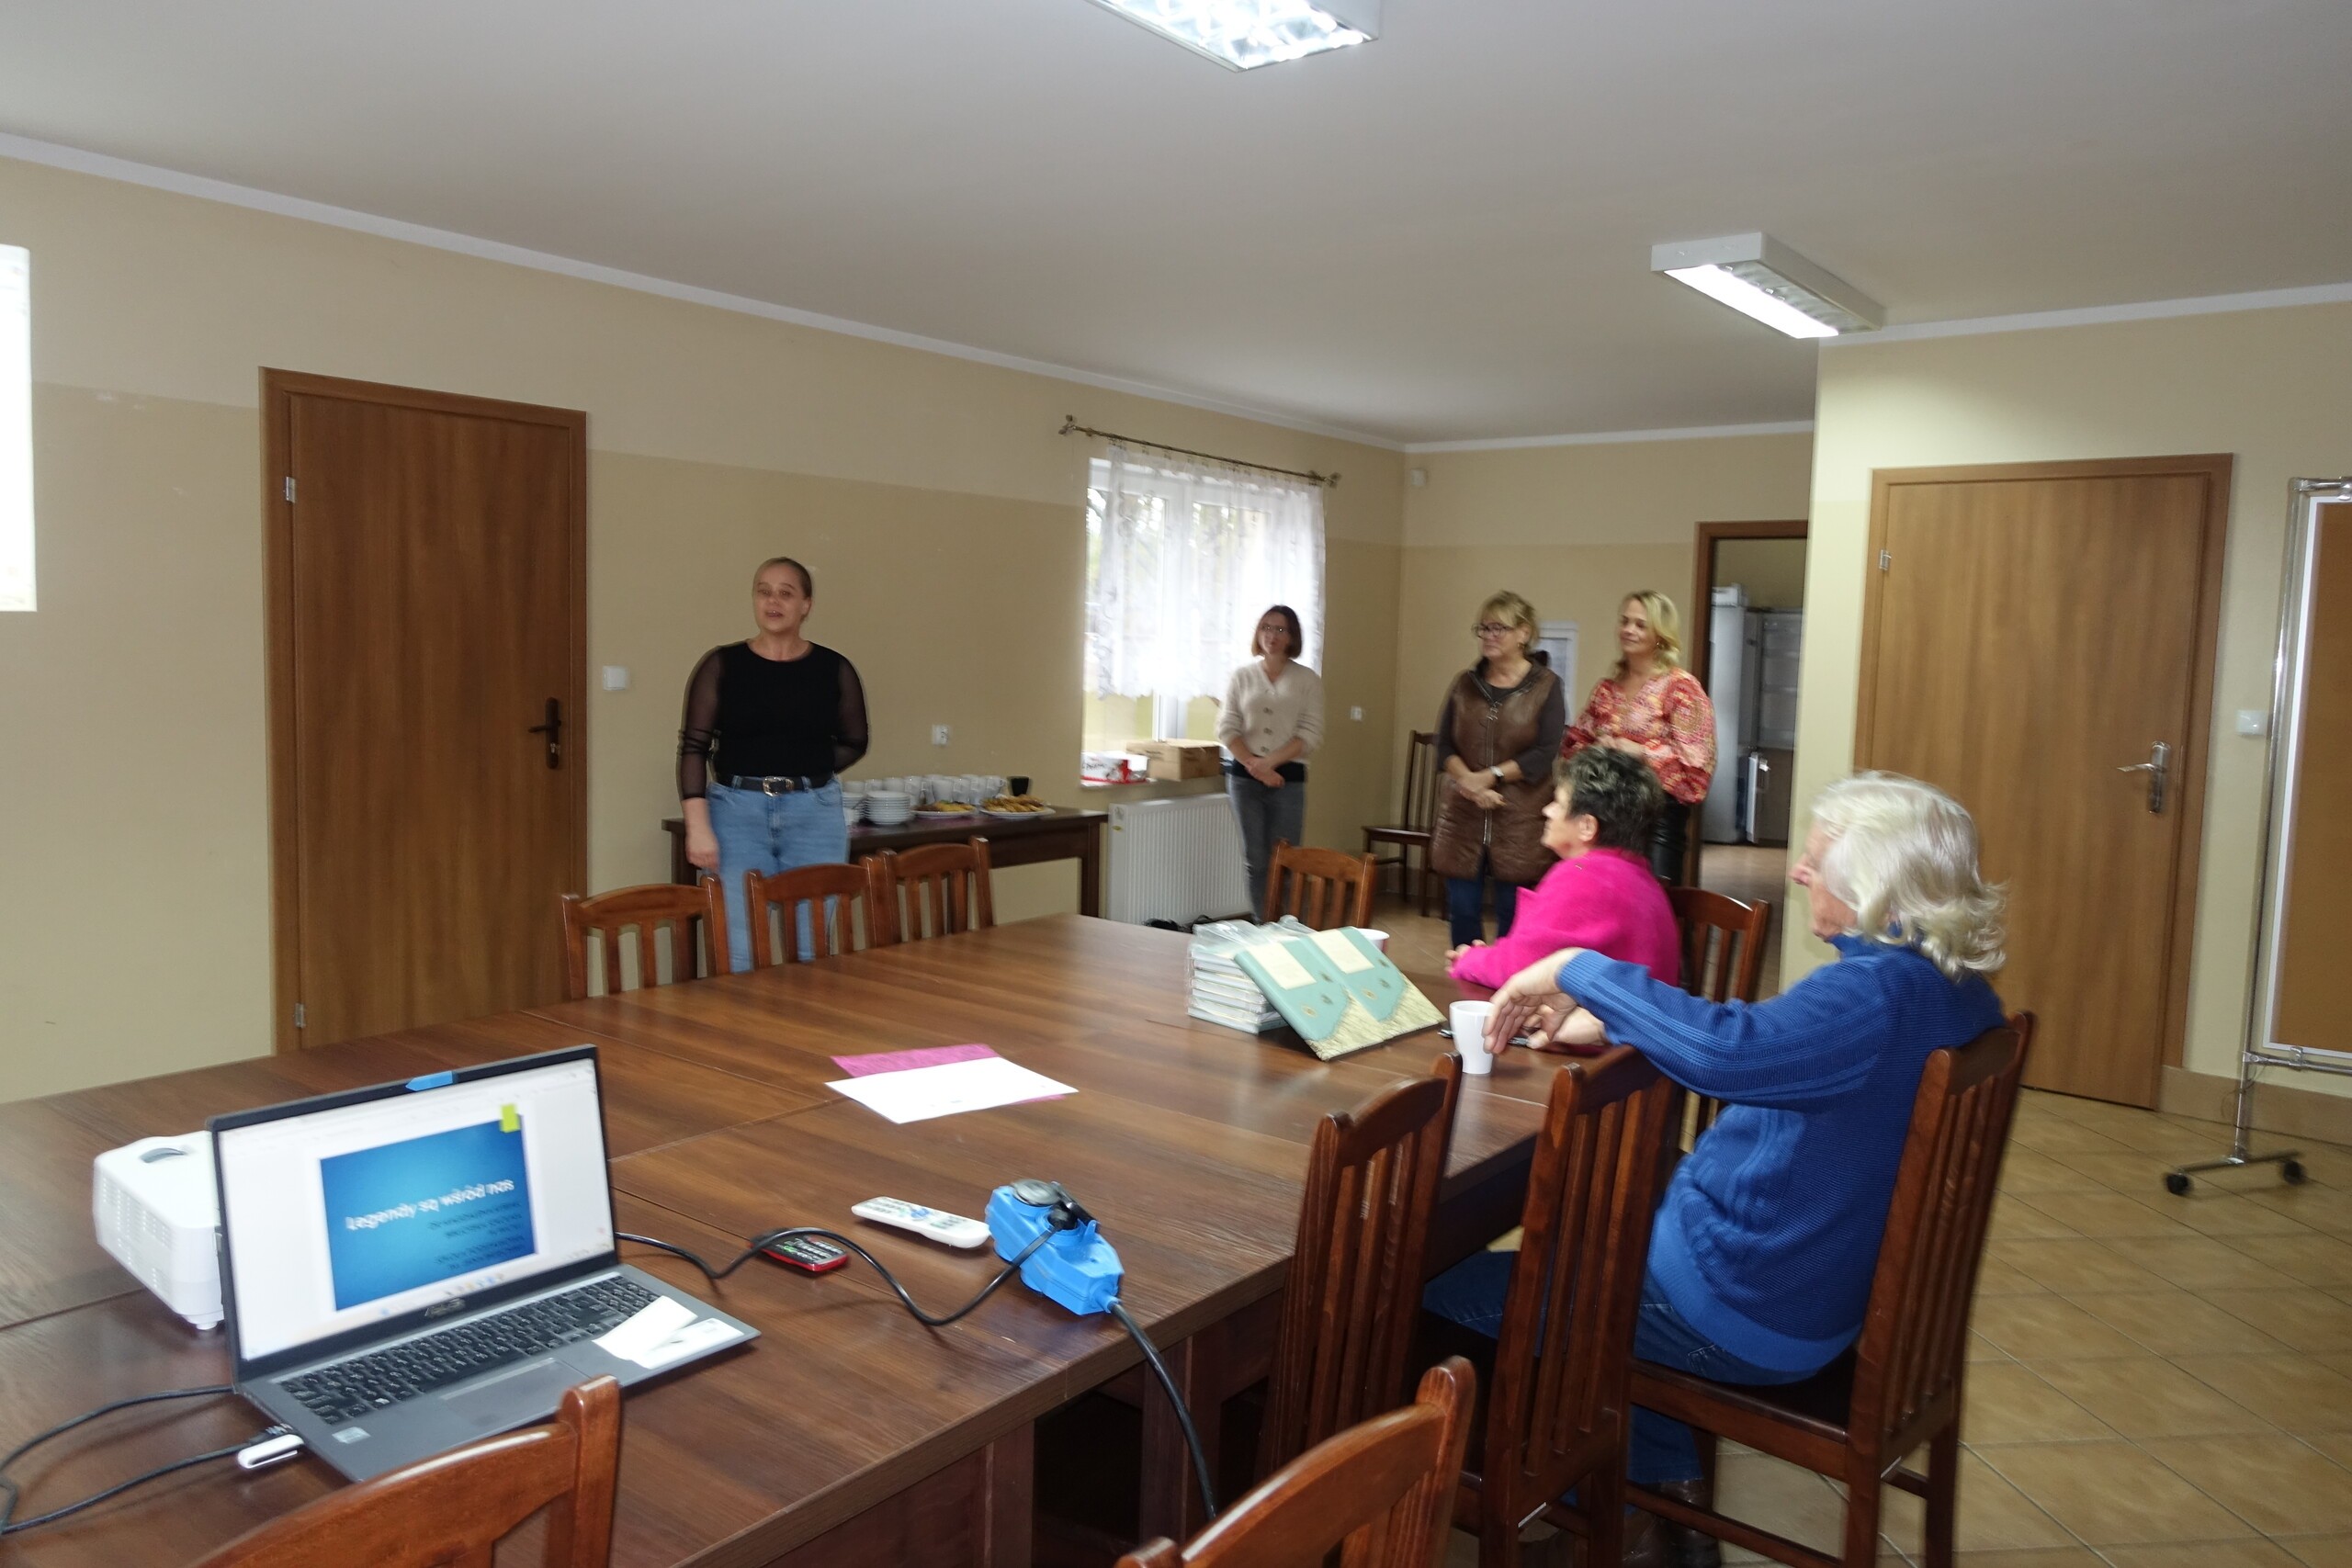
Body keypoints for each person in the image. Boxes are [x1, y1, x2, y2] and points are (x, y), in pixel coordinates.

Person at [1425, 773, 2007, 1568]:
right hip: (1816, 1291)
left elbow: (1725, 1052)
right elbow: (1770, 1043)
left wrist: (1577, 967)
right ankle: (1665, 1505)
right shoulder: (1954, 992)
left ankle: (1567, 1510)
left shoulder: (1872, 995)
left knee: (1438, 1286)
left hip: (1745, 1306)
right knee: (1594, 1247)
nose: (1799, 871)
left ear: (1875, 881)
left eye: (1816, 860)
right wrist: (1625, 1021)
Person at [677, 557, 869, 972]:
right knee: (738, 953)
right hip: (735, 814)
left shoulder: (833, 668)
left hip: (814, 814)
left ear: (806, 605)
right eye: (764, 592)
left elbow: (855, 742)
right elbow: (693, 747)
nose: (773, 601)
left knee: (812, 952)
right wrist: (698, 827)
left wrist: (805, 769)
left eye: (786, 593)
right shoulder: (722, 664)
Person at [1447, 747, 1679, 993]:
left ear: (1587, 826)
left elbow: (1523, 970)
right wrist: (1489, 956)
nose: (1546, 811)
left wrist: (1470, 960)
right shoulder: (1640, 879)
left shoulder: (1585, 877)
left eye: (1558, 803)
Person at [1430, 592, 1566, 949]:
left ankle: (1508, 982)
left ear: (1523, 633)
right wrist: (1469, 784)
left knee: (1514, 915)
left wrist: (1489, 777)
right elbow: (1444, 746)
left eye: (1498, 628)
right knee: (1462, 911)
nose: (1488, 635)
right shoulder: (1464, 684)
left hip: (1521, 820)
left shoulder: (1547, 685)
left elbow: (1544, 752)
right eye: (1483, 628)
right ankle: (1466, 979)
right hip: (1463, 817)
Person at [1563, 591, 1715, 883]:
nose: (1628, 630)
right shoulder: (1607, 689)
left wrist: (1641, 752)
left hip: (1657, 819)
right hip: (1606, 817)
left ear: (1660, 635)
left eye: (1640, 625)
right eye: (1625, 622)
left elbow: (1696, 768)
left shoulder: (1681, 689)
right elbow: (1573, 744)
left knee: (1650, 899)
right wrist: (1600, 750)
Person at [1218, 604, 1326, 921]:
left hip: (1288, 780)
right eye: (1266, 627)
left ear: (1292, 636)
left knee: (1287, 860)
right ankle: (1262, 926)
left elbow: (1311, 733)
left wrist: (1269, 764)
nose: (1272, 635)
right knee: (1256, 861)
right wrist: (1254, 765)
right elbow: (1227, 727)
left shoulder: (1307, 680)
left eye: (1280, 629)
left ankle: (1288, 928)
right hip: (1244, 779)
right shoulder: (1241, 677)